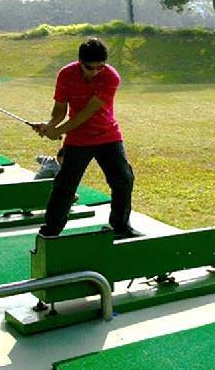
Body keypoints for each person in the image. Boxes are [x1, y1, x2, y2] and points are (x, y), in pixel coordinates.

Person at [33, 37, 139, 240]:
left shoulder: (111, 77)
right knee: (65, 185)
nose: (96, 72)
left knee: (123, 180)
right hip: (78, 139)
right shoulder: (66, 74)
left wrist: (59, 130)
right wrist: (50, 125)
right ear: (80, 62)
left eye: (101, 67)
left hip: (107, 135)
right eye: (90, 68)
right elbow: (60, 110)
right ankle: (51, 231)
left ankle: (121, 227)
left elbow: (89, 111)